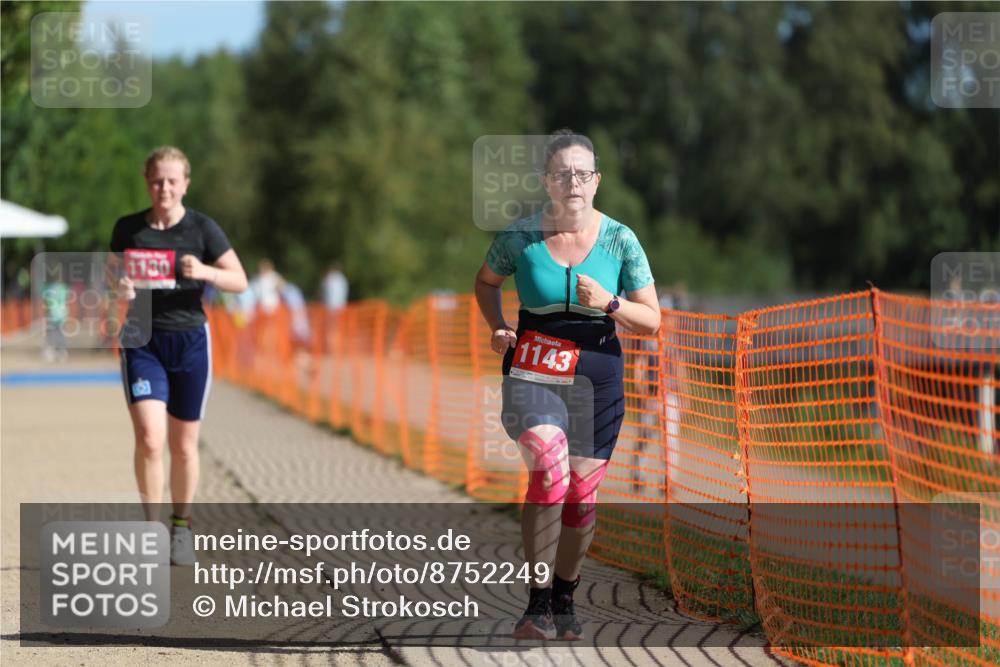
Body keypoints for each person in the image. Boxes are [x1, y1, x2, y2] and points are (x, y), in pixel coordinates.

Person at [474, 130, 660, 640]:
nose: (572, 182)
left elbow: (653, 320)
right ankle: (535, 604)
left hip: (597, 373)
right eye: (562, 173)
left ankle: (564, 595)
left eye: (582, 173)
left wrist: (610, 302)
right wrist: (497, 327)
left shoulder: (621, 240)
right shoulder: (519, 237)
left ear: (596, 181)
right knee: (548, 466)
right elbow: (485, 282)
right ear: (546, 182)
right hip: (533, 366)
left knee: (580, 495)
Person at [110, 146, 248, 565]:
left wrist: (205, 272)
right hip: (142, 339)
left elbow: (239, 280)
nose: (164, 187)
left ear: (186, 183)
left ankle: (181, 526)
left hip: (189, 341)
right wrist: (121, 289)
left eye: (172, 180)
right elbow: (112, 274)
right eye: (157, 180)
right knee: (151, 439)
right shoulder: (129, 229)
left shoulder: (203, 229)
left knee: (184, 447)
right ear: (146, 182)